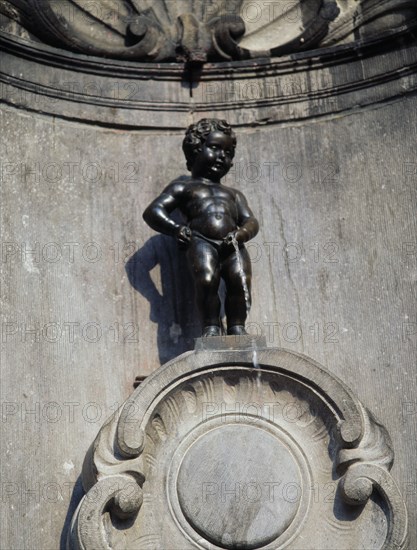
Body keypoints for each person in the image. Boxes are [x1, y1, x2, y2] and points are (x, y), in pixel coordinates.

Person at [143, 118, 259, 337]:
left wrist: (242, 233)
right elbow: (153, 212)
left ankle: (237, 327)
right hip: (201, 240)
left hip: (234, 244)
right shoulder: (184, 187)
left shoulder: (233, 194)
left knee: (240, 281)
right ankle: (212, 326)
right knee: (206, 280)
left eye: (228, 152)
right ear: (196, 150)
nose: (221, 156)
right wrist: (176, 229)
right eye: (214, 148)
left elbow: (251, 221)